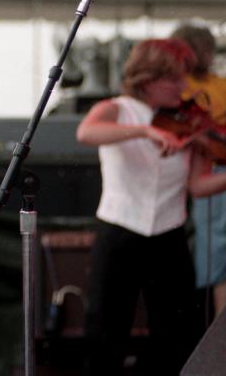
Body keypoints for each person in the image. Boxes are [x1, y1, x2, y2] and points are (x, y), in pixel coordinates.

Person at [77, 38, 226, 374]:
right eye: (174, 79)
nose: (184, 87)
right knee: (106, 328)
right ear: (147, 79)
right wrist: (145, 131)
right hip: (119, 230)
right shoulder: (117, 109)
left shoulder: (190, 122)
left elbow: (198, 186)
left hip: (169, 234)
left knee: (177, 333)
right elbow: (87, 132)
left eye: (185, 77)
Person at [171, 23, 226, 317]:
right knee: (217, 246)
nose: (209, 55)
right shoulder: (180, 87)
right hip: (209, 170)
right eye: (203, 48)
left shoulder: (220, 83)